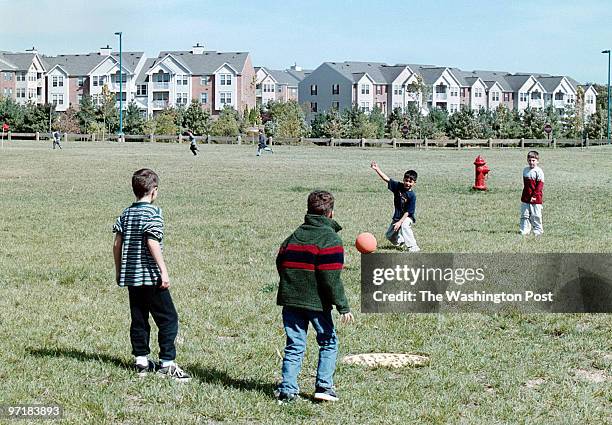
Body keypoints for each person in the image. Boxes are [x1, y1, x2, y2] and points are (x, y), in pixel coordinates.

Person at [275, 190, 354, 403]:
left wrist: (291, 284)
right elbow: (331, 279)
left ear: (309, 211)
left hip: (291, 301)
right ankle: (324, 387)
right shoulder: (331, 240)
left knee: (294, 344)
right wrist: (343, 306)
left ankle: (288, 390)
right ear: (331, 214)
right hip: (317, 304)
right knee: (328, 341)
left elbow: (280, 261)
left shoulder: (294, 236)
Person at [112, 168, 191, 381]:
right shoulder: (153, 213)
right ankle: (167, 363)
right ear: (154, 191)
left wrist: (120, 270)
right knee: (168, 318)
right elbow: (152, 241)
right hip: (150, 276)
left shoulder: (126, 213)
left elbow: (117, 244)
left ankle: (141, 361)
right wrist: (163, 271)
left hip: (131, 277)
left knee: (139, 318)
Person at [370, 161, 420, 252]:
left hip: (407, 217)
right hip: (397, 217)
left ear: (414, 183)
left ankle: (413, 247)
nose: (407, 183)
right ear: (403, 179)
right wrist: (377, 169)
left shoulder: (412, 196)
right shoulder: (398, 187)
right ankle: (401, 241)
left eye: (410, 182)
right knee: (389, 235)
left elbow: (408, 212)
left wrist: (400, 222)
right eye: (406, 180)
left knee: (404, 225)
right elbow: (386, 179)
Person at [520, 151, 544, 236]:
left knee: (536, 215)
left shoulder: (539, 171)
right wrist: (526, 195)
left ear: (537, 161)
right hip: (526, 197)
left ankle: (538, 231)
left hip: (536, 198)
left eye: (533, 160)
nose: (531, 162)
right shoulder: (525, 170)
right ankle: (524, 230)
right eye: (529, 160)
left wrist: (534, 196)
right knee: (525, 215)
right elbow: (526, 185)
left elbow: (539, 186)